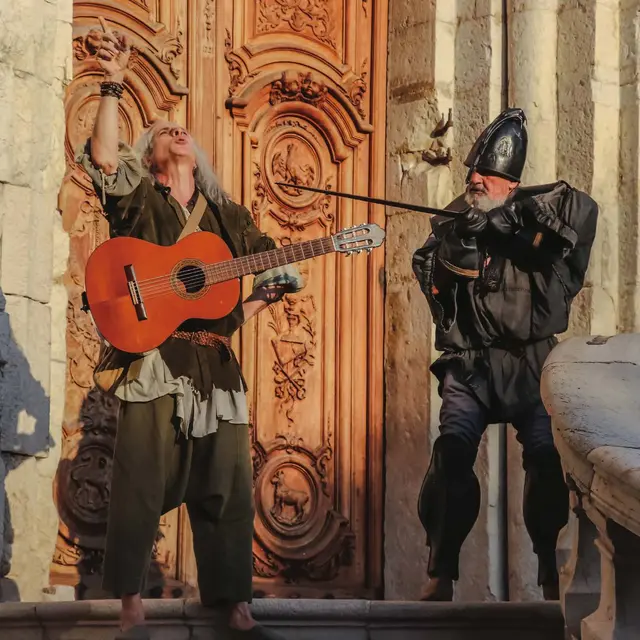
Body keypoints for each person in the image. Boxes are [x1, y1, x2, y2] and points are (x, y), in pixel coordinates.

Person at [76, 21, 301, 639]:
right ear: (149, 156)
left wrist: (274, 285)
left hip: (216, 366)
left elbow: (253, 275)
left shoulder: (228, 215)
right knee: (140, 479)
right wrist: (114, 83)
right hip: (155, 360)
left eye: (183, 130)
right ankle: (131, 606)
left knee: (227, 487)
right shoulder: (140, 199)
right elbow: (101, 157)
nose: (176, 128)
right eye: (162, 132)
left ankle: (234, 605)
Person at [412, 108, 599, 602]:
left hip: (531, 364)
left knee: (545, 461)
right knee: (452, 456)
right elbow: (436, 276)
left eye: (486, 175)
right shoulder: (453, 222)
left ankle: (548, 569)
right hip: (470, 364)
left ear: (510, 184)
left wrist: (507, 224)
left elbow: (579, 219)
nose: (474, 179)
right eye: (473, 172)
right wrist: (470, 239)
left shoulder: (539, 210)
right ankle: (441, 570)